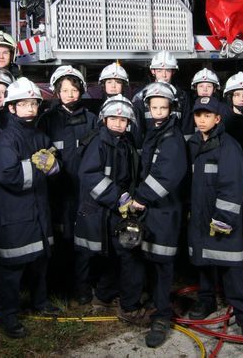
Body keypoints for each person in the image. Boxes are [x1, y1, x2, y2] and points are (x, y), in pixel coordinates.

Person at [0, 77, 62, 338]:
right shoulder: (6, 140)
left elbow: (53, 162)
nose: (30, 108)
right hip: (15, 214)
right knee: (13, 269)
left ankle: (40, 302)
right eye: (24, 104)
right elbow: (5, 174)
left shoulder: (40, 135)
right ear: (11, 108)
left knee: (40, 262)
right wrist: (36, 167)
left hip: (39, 211)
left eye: (33, 104)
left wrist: (53, 165)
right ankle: (8, 316)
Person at [116, 82, 187, 348]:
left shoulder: (172, 138)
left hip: (165, 211)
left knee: (163, 263)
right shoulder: (155, 133)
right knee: (148, 259)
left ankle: (162, 315)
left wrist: (140, 199)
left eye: (162, 107)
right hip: (153, 211)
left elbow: (166, 176)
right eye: (153, 107)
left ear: (171, 110)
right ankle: (149, 305)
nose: (157, 112)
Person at [186, 96, 243, 337]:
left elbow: (234, 184)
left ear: (218, 118)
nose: (202, 120)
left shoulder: (228, 146)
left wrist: (223, 218)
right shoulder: (193, 143)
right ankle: (206, 300)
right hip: (199, 215)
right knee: (203, 261)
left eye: (207, 115)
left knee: (231, 267)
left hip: (221, 218)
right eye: (198, 115)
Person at [36, 66, 97, 303]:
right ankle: (60, 287)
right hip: (57, 193)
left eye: (74, 90)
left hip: (84, 191)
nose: (70, 94)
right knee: (60, 239)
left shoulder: (92, 120)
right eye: (65, 90)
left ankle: (82, 287)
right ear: (56, 92)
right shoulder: (47, 120)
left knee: (83, 240)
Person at [74, 95, 139, 315]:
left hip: (117, 208)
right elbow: (89, 174)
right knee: (116, 254)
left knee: (117, 254)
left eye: (123, 120)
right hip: (101, 209)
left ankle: (104, 295)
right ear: (104, 120)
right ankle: (124, 305)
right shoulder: (99, 142)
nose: (118, 124)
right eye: (113, 119)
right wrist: (118, 197)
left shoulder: (125, 142)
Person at [132, 51, 193, 138]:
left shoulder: (182, 96)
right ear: (153, 71)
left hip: (174, 147)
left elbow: (187, 128)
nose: (164, 75)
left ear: (173, 72)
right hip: (149, 147)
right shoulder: (141, 95)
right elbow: (137, 129)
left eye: (167, 70)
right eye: (159, 70)